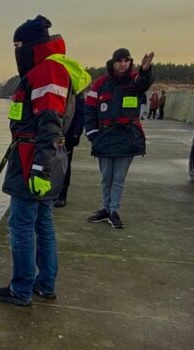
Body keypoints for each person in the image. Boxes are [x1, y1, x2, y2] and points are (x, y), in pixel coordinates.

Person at [0, 15, 90, 306]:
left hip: (32, 160)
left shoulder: (46, 71)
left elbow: (49, 123)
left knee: (21, 226)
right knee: (43, 223)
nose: (16, 51)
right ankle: (45, 284)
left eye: (18, 45)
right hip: (46, 158)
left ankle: (21, 289)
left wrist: (39, 169)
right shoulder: (52, 69)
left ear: (32, 45)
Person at [84, 48, 154, 229]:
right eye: (120, 61)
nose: (123, 64)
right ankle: (105, 209)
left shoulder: (135, 80)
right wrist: (92, 133)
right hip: (105, 137)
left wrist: (145, 70)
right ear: (113, 63)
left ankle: (114, 211)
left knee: (118, 178)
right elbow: (89, 110)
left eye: (126, 61)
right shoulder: (100, 84)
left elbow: (144, 83)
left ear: (130, 63)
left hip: (127, 137)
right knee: (106, 177)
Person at [55, 93, 86, 208]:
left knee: (65, 165)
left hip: (67, 135)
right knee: (52, 163)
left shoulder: (77, 93)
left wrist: (77, 133)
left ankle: (62, 195)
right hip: (54, 133)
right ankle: (52, 192)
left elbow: (80, 114)